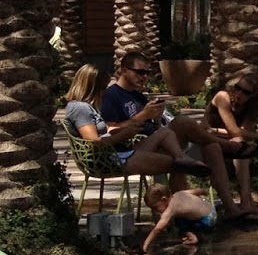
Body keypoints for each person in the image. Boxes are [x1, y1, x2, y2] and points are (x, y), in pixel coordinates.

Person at [92, 54, 245, 216]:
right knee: (181, 123)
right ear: (124, 70)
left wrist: (157, 118)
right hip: (133, 149)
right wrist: (143, 116)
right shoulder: (112, 96)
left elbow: (154, 128)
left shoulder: (138, 96)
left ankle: (231, 208)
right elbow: (110, 130)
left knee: (212, 147)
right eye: (139, 72)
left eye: (147, 73)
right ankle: (228, 146)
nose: (144, 77)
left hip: (160, 141)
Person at [64, 64, 208, 181]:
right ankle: (185, 172)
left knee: (165, 133)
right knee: (173, 163)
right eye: (102, 88)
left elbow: (106, 132)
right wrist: (124, 135)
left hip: (119, 151)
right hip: (109, 159)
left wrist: (131, 127)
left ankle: (182, 159)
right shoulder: (80, 108)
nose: (104, 92)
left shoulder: (90, 107)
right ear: (91, 87)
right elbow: (94, 143)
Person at [206, 70, 258, 220]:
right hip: (207, 142)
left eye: (245, 92)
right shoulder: (223, 98)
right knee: (238, 142)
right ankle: (241, 203)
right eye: (238, 88)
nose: (239, 93)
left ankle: (245, 201)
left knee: (240, 143)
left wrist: (218, 130)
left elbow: (239, 133)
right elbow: (234, 131)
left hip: (225, 141)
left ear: (252, 96)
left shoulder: (250, 109)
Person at [141, 183, 216, 252]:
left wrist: (146, 243)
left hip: (206, 221)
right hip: (212, 212)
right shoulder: (180, 193)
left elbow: (158, 229)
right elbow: (197, 191)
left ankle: (193, 238)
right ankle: (199, 233)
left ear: (164, 199)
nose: (155, 211)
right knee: (185, 216)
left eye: (155, 208)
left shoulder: (171, 209)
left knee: (178, 220)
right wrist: (205, 192)